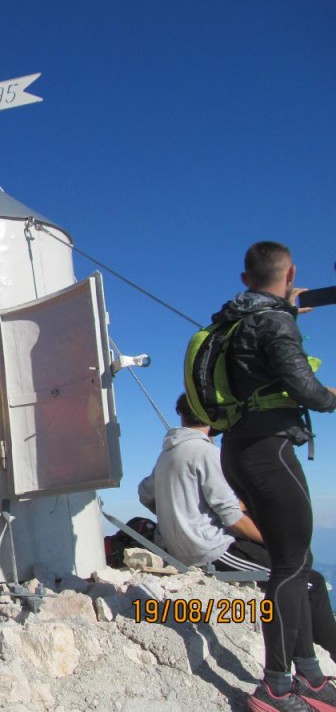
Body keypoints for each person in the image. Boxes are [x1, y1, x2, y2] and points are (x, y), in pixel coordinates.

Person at [209, 241, 336, 712]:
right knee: (290, 565)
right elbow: (304, 385)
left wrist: (288, 313)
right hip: (270, 451)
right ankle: (276, 687)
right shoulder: (273, 320)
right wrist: (330, 396)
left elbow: (257, 370)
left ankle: (310, 676)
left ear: (246, 279)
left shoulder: (232, 320)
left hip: (239, 447)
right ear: (292, 273)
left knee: (296, 563)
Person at [139, 394, 336, 662]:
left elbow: (145, 492)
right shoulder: (205, 452)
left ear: (182, 415)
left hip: (183, 544)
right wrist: (274, 541)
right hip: (209, 549)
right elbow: (231, 517)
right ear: (213, 416)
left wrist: (175, 511)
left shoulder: (168, 453)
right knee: (307, 579)